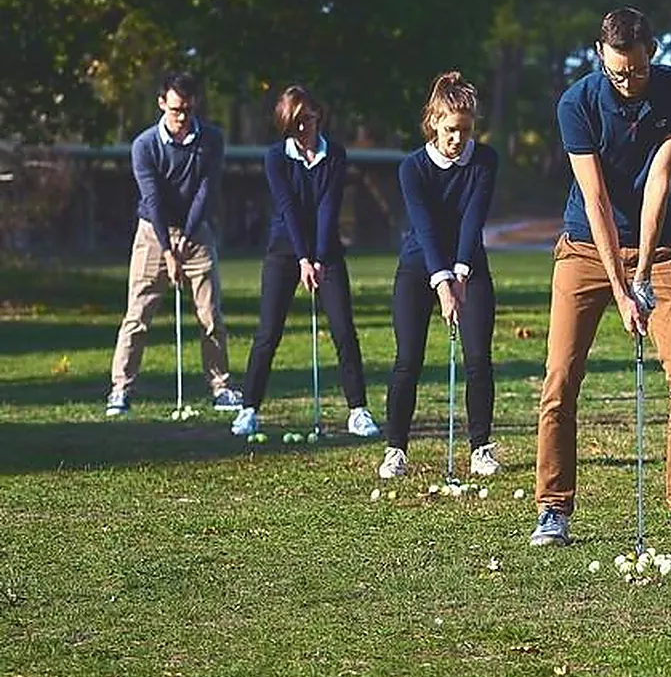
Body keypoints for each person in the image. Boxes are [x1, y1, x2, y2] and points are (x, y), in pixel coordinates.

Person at [531, 7, 671, 547]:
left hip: (659, 249)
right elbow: (594, 197)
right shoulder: (576, 103)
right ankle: (553, 509)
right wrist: (619, 288)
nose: (628, 81)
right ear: (600, 55)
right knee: (560, 379)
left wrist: (641, 277)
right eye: (617, 72)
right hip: (585, 248)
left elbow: (658, 183)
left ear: (651, 52)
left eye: (635, 70)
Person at [231, 86, 377, 438]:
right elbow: (288, 209)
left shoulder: (335, 155)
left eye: (305, 121)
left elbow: (328, 207)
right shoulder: (275, 158)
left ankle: (358, 410)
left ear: (317, 116)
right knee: (268, 332)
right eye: (293, 124)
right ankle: (249, 408)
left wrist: (320, 257)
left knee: (344, 329)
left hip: (327, 251)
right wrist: (302, 259)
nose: (301, 130)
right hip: (284, 250)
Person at [378, 72, 500, 479]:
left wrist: (461, 275)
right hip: (419, 266)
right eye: (450, 130)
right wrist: (443, 282)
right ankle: (395, 448)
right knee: (407, 360)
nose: (458, 139)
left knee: (478, 359)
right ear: (433, 121)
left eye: (465, 131)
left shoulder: (484, 161)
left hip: (470, 265)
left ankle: (481, 447)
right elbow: (425, 228)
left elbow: (472, 220)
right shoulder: (412, 168)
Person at [106, 72, 243, 416]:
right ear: (161, 104)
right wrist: (168, 250)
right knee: (137, 315)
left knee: (211, 314)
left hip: (196, 233)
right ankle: (120, 390)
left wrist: (184, 243)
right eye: (176, 110)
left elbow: (205, 194)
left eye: (188, 110)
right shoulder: (144, 145)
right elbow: (152, 200)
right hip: (153, 232)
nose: (182, 118)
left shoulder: (211, 140)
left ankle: (221, 387)